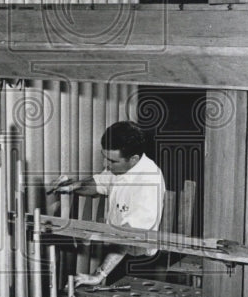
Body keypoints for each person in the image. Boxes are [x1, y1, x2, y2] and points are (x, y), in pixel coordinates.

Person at [53, 120, 165, 288]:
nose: (106, 165)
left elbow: (128, 235)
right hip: (117, 250)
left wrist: (99, 274)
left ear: (134, 159)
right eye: (104, 158)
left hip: (138, 261)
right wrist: (73, 186)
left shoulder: (149, 182)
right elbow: (99, 183)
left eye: (112, 161)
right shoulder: (120, 167)